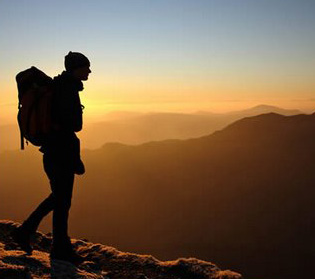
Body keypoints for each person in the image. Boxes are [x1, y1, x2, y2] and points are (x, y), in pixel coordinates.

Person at [12, 51, 91, 265]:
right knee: (61, 199)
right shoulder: (67, 90)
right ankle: (38, 237)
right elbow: (74, 125)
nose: (89, 71)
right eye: (86, 67)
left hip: (53, 152)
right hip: (60, 153)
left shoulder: (58, 87)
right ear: (75, 69)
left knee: (60, 199)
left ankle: (54, 245)